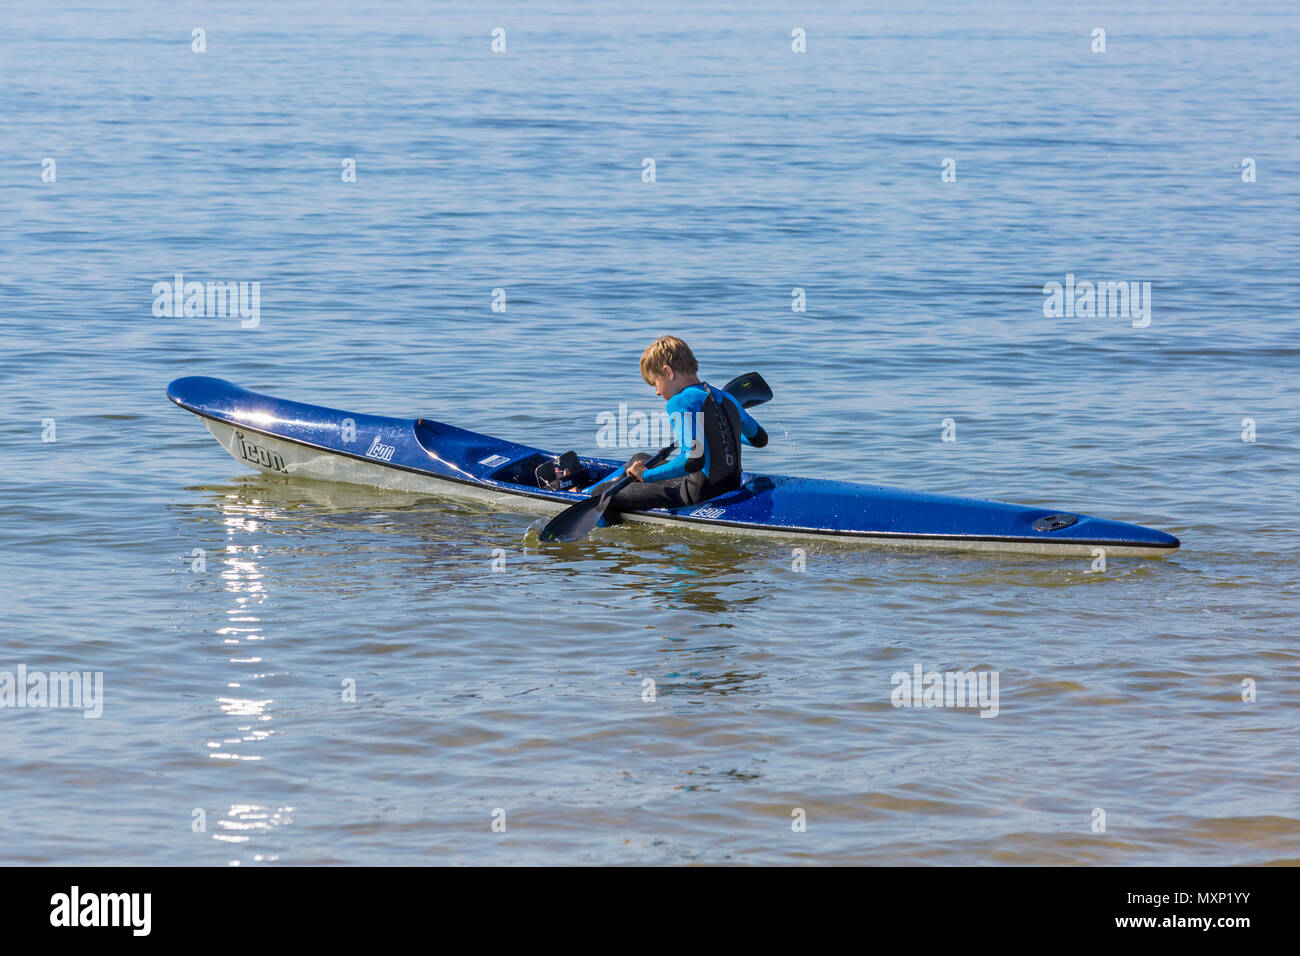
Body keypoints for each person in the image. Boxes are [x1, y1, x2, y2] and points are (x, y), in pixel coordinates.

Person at [605, 335, 767, 511]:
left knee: (602, 494)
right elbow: (759, 439)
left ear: (668, 372)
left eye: (655, 383)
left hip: (697, 494)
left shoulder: (680, 402)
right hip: (730, 485)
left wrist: (647, 475)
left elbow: (692, 460)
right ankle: (631, 476)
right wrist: (720, 432)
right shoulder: (728, 398)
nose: (657, 392)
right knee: (640, 458)